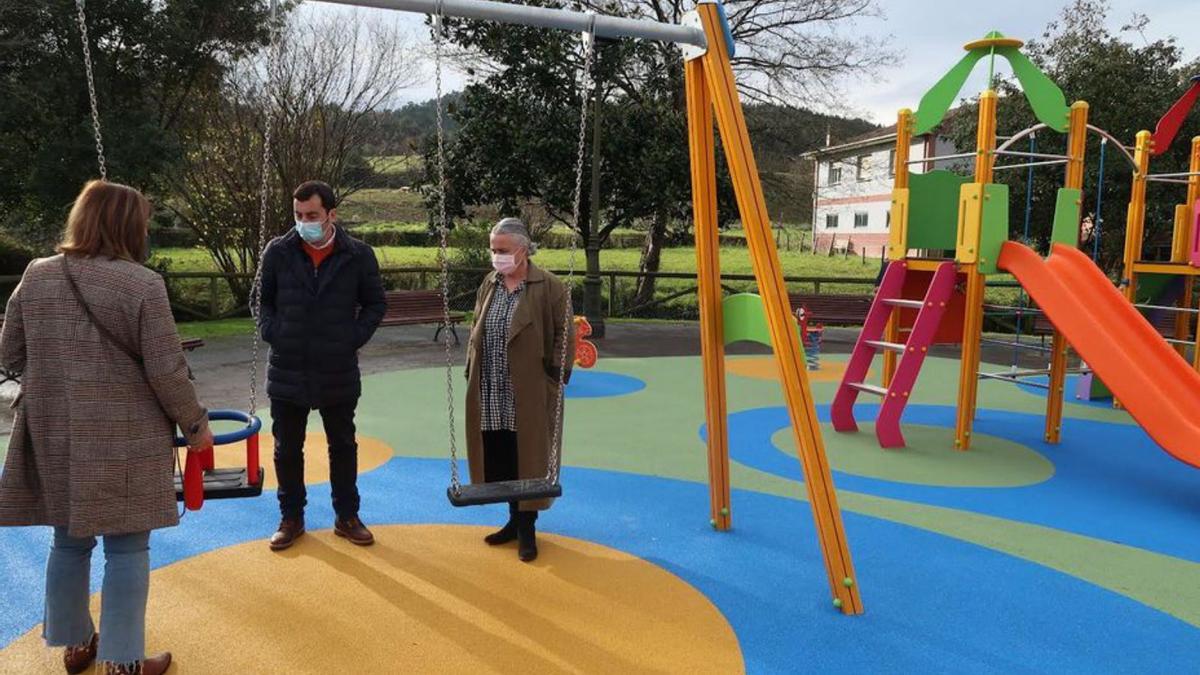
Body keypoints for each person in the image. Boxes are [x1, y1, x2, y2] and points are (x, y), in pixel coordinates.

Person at [0, 180, 213, 675]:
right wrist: (196, 425)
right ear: (126, 226)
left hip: (54, 434)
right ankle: (125, 661)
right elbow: (166, 371)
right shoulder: (142, 284)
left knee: (68, 541)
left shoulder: (37, 274)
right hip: (126, 438)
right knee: (127, 547)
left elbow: (9, 352)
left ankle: (75, 644)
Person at [258, 180, 386, 551]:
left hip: (337, 365)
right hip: (287, 364)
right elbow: (261, 301)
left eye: (311, 215)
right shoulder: (278, 252)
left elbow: (376, 304)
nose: (304, 222)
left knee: (343, 445)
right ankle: (291, 518)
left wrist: (352, 337)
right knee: (286, 448)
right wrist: (274, 331)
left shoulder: (357, 255)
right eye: (298, 215)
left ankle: (347, 516)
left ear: (332, 214)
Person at [465, 217, 574, 563]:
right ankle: (512, 521)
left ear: (523, 251)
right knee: (501, 452)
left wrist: (555, 374)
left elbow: (565, 333)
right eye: (493, 249)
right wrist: (471, 363)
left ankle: (528, 527)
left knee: (528, 454)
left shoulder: (549, 287)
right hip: (491, 384)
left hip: (528, 385)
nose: (496, 256)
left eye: (503, 250)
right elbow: (476, 324)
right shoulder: (490, 283)